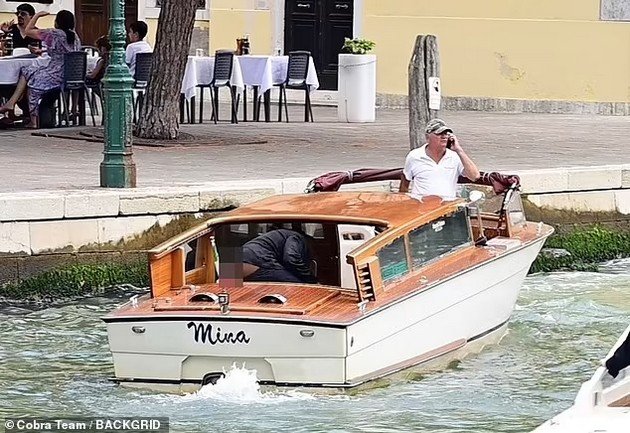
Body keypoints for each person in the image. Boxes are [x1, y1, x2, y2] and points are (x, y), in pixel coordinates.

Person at [0, 10, 81, 128]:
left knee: (31, 80)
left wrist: (37, 15)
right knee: (28, 71)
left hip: (56, 74)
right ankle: (12, 103)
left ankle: (32, 120)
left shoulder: (54, 33)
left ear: (57, 21)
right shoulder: (74, 36)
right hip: (70, 75)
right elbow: (63, 52)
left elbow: (28, 31)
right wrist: (43, 51)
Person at [400, 118, 480, 201]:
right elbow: (405, 180)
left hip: (446, 208)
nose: (444, 136)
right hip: (421, 207)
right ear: (428, 137)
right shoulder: (414, 156)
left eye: (446, 134)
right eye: (439, 134)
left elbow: (475, 176)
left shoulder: (455, 156)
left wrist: (459, 150)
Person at [242, 229, 317, 284]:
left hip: (236, 258)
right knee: (297, 286)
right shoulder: (298, 237)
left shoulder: (281, 235)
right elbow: (291, 258)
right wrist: (310, 280)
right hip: (259, 258)